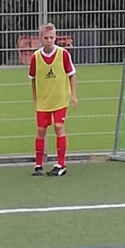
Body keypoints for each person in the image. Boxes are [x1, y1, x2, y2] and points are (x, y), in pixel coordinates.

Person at [28, 22, 77, 176]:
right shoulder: (36, 57)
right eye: (46, 38)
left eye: (52, 37)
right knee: (41, 130)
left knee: (58, 126)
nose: (49, 40)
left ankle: (61, 164)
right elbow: (32, 78)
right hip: (43, 100)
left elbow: (71, 74)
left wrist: (73, 95)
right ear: (41, 38)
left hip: (60, 98)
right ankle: (38, 165)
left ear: (55, 38)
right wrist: (35, 96)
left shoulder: (63, 54)